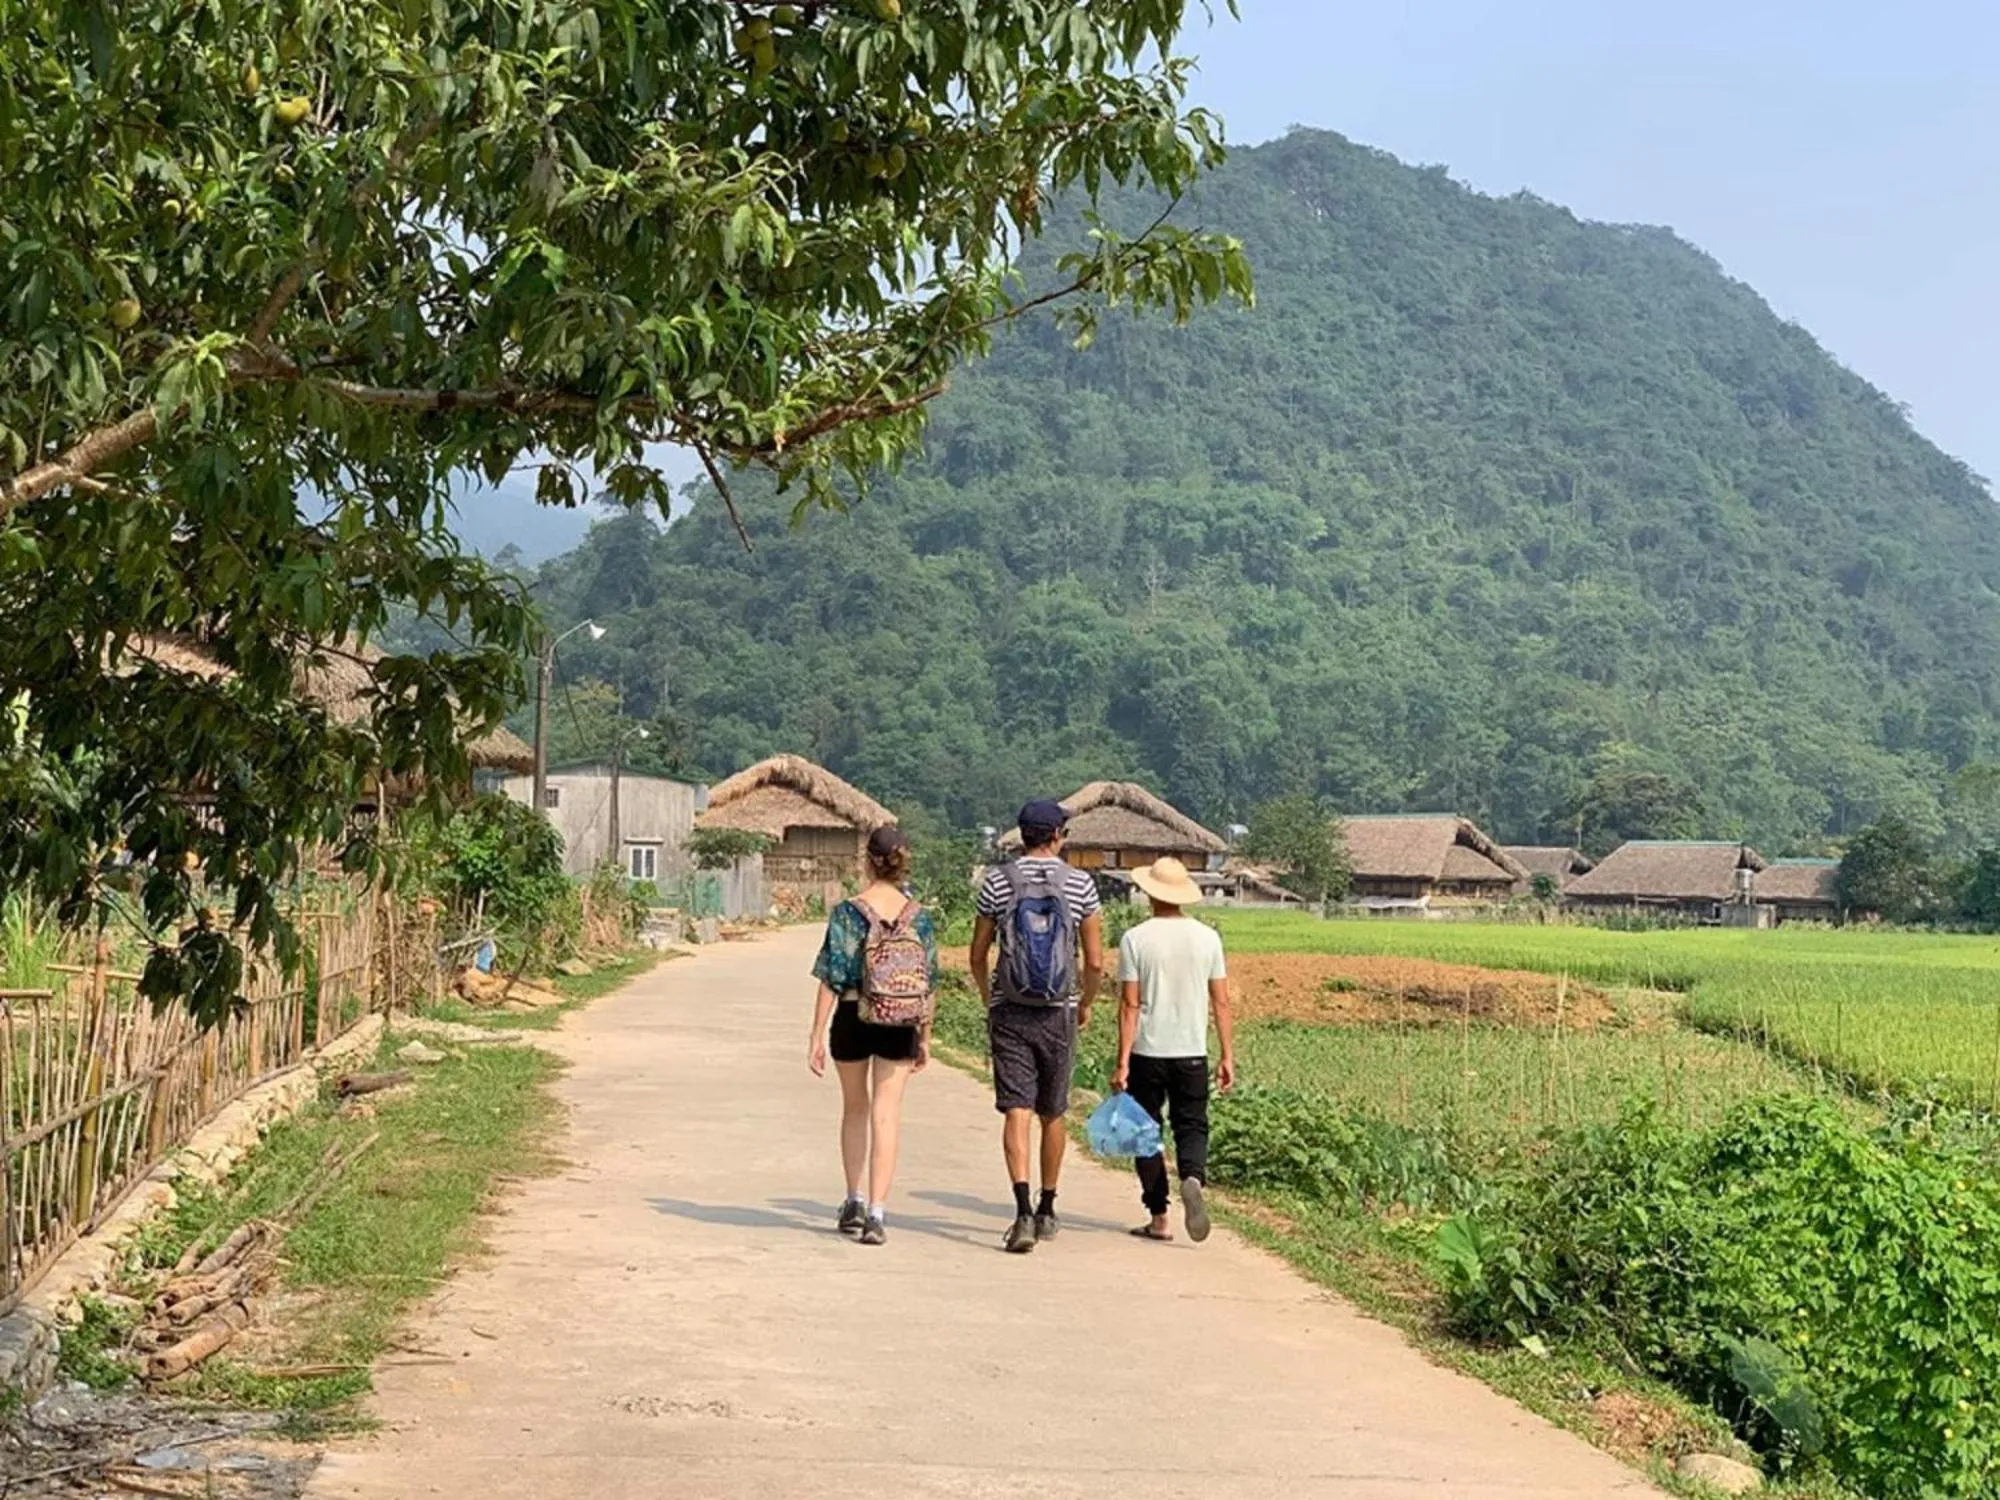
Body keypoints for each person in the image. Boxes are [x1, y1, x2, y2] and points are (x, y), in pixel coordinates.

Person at [969, 799, 1105, 1253]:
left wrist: (991, 999)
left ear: (1022, 835)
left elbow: (978, 953)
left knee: (1016, 1110)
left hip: (1010, 1008)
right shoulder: (1081, 884)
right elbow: (1096, 961)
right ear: (1058, 836)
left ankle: (1022, 1212)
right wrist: (1084, 1002)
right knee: (1053, 1111)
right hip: (1059, 1011)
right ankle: (1048, 1208)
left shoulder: (997, 882)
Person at [807, 825, 938, 1247]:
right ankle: (878, 1213)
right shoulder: (919, 915)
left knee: (855, 1110)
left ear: (868, 860)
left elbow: (831, 975)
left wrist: (815, 1034)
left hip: (851, 1014)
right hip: (900, 1021)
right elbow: (928, 982)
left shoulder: (848, 912)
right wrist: (925, 1036)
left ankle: (853, 1200)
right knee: (887, 1113)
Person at [1110, 856, 1235, 1244]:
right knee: (1192, 1124)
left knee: (1145, 1132)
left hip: (1148, 1051)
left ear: (1149, 892)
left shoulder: (1135, 938)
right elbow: (1222, 1001)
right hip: (1192, 1050)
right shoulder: (1207, 938)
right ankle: (1193, 1177)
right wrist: (1227, 1055)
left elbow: (1130, 1005)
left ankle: (1160, 1216)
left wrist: (1122, 1061)